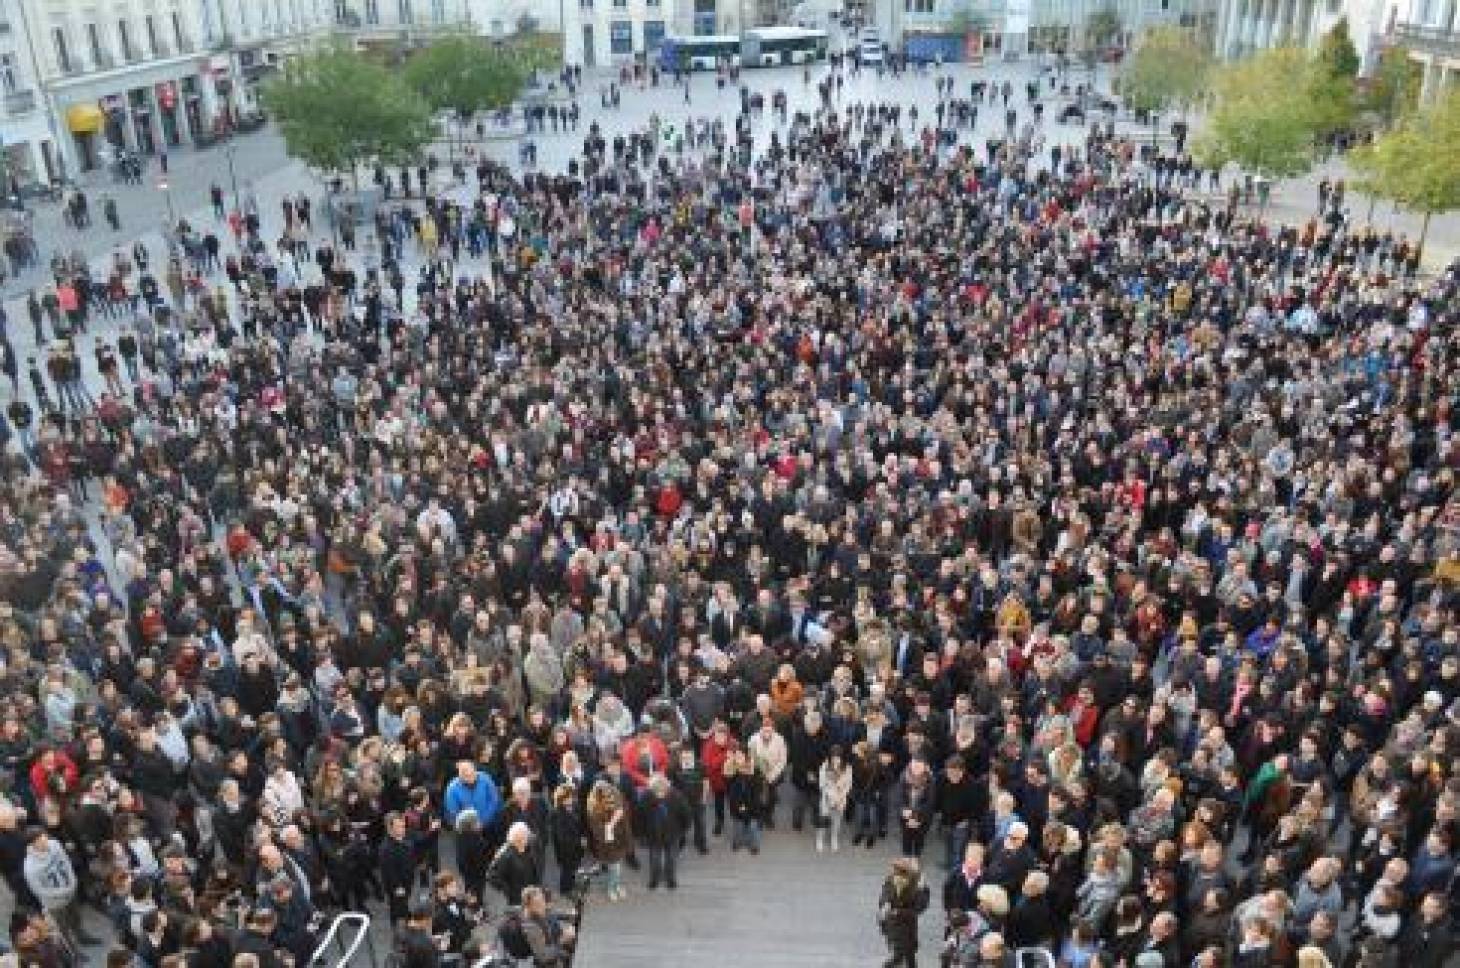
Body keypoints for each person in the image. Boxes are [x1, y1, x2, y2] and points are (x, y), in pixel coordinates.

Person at [634, 774, 692, 890]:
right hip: (653, 835)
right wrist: (640, 834)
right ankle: (654, 878)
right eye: (656, 791)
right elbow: (639, 817)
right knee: (654, 859)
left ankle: (670, 878)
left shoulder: (677, 796)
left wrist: (684, 829)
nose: (659, 794)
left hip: (672, 834)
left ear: (667, 787)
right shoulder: (646, 797)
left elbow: (686, 814)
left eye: (662, 791)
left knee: (671, 858)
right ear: (652, 789)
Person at [878, 856, 930, 968]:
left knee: (909, 956)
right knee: (898, 955)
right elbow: (884, 894)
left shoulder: (919, 888)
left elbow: (919, 908)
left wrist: (898, 912)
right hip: (892, 926)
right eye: (896, 872)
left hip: (908, 927)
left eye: (901, 874)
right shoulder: (891, 879)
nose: (897, 877)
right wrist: (885, 903)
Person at [519, 885, 575, 967]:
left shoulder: (543, 911)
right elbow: (543, 956)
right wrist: (562, 941)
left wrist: (572, 915)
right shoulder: (530, 927)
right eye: (538, 904)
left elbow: (558, 915)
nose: (543, 905)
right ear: (529, 906)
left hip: (561, 952)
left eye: (542, 900)